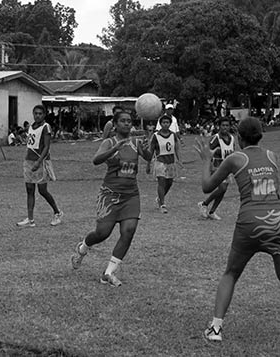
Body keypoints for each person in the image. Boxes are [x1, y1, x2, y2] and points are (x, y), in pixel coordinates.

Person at [194, 117, 280, 344]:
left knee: (231, 273)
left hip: (251, 220)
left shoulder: (235, 158)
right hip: (279, 219)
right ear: (261, 135)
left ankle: (215, 328)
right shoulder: (272, 156)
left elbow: (207, 186)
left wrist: (206, 161)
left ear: (239, 138)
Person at [70, 110, 153, 286]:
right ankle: (83, 248)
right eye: (123, 121)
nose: (127, 124)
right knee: (102, 233)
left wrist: (148, 145)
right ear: (115, 124)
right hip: (110, 194)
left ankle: (108, 273)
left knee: (128, 231)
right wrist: (114, 149)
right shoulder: (109, 142)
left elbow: (148, 157)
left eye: (129, 121)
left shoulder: (136, 142)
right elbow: (96, 160)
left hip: (131, 195)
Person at [17, 105, 64, 227]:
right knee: (29, 189)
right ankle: (30, 219)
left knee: (42, 190)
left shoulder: (45, 127)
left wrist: (38, 161)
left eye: (40, 113)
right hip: (29, 160)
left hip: (41, 161)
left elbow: (47, 147)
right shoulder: (31, 127)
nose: (37, 115)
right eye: (35, 113)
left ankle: (57, 212)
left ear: (44, 115)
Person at [197, 117, 238, 220]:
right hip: (217, 167)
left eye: (227, 125)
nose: (225, 127)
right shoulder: (216, 138)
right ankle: (204, 204)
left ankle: (211, 211)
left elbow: (232, 152)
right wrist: (210, 166)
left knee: (222, 191)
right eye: (223, 125)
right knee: (222, 188)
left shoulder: (232, 138)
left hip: (227, 168)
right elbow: (208, 152)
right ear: (219, 126)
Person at [150, 115, 182, 213]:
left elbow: (176, 148)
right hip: (160, 161)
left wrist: (179, 160)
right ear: (160, 124)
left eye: (167, 122)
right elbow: (151, 150)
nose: (165, 124)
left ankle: (160, 198)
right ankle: (162, 204)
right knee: (162, 181)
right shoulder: (156, 136)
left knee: (169, 182)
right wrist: (148, 163)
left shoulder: (173, 135)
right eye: (163, 122)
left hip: (170, 161)